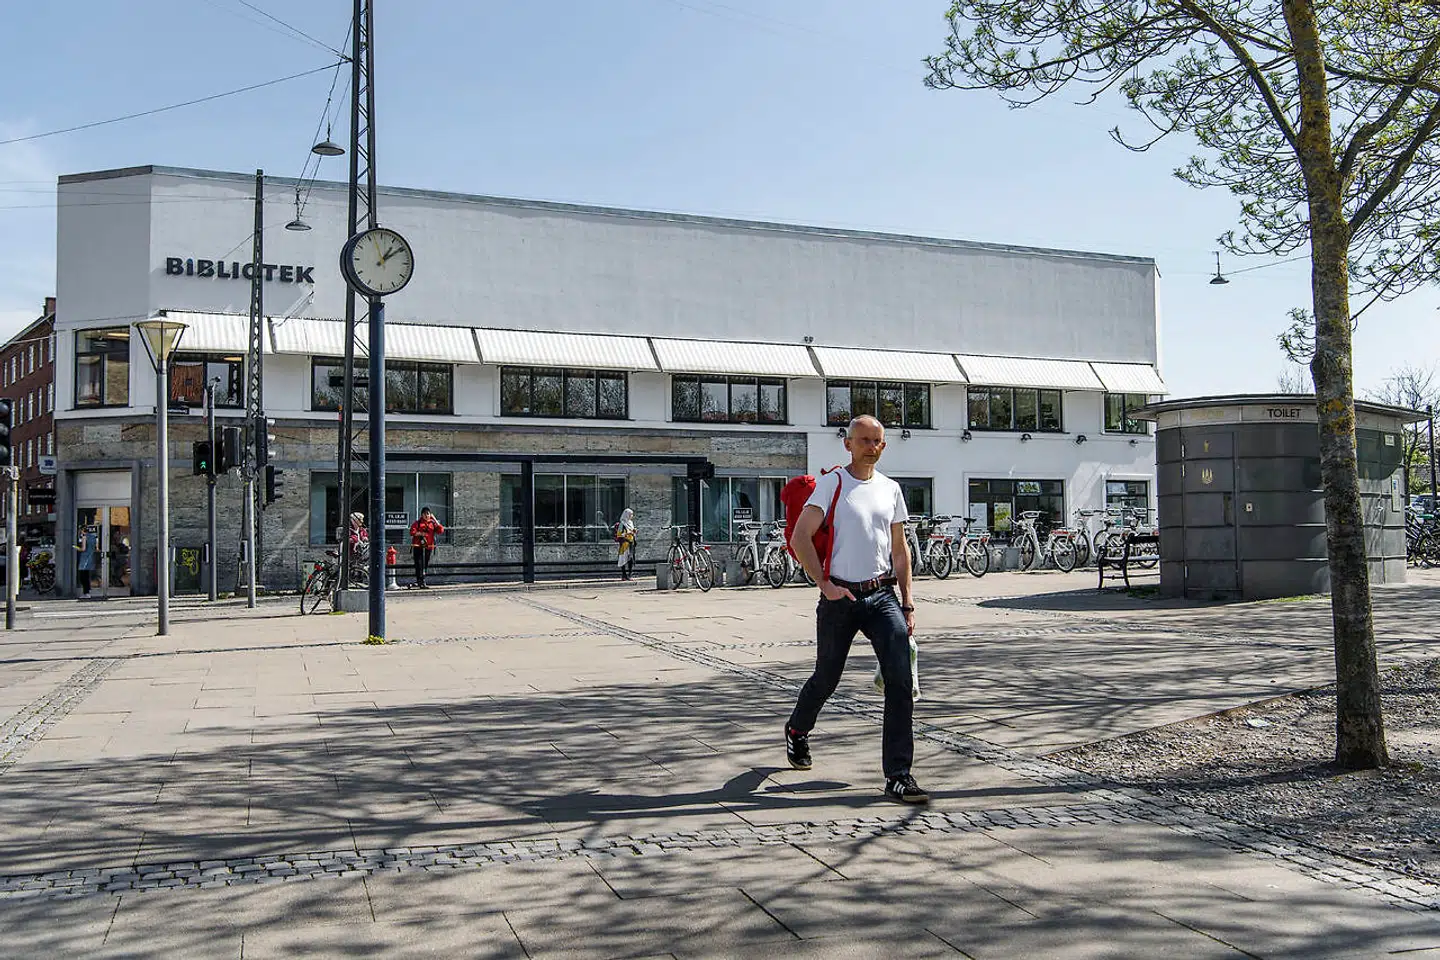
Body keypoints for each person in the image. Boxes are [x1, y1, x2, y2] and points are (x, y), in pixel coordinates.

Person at [784, 414, 926, 804]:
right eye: (863, 439)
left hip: (882, 596)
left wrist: (908, 600)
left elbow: (900, 551)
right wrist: (824, 585)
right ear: (847, 444)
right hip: (840, 599)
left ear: (884, 446)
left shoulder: (891, 489)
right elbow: (801, 537)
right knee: (825, 679)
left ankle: (899, 775)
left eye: (877, 441)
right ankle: (797, 729)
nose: (870, 446)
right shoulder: (834, 484)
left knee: (900, 682)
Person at [408, 507, 445, 589]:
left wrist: (435, 520)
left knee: (425, 565)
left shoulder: (432, 523)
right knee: (419, 565)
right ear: (422, 515)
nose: (426, 515)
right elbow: (412, 532)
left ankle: (422, 581)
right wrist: (421, 534)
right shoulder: (417, 523)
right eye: (425, 514)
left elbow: (441, 530)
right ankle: (420, 581)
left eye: (428, 513)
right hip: (418, 547)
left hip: (428, 547)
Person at [74, 524, 99, 598]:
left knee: (82, 576)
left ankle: (86, 592)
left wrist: (76, 547)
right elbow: (96, 548)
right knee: (87, 575)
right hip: (91, 557)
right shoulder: (94, 537)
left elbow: (83, 548)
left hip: (85, 558)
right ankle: (88, 592)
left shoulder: (84, 537)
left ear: (82, 530)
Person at [613, 508, 637, 580]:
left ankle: (630, 574)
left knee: (631, 559)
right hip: (624, 543)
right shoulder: (621, 524)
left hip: (631, 542)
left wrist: (634, 532)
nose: (632, 516)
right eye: (630, 514)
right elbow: (619, 534)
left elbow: (632, 533)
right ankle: (624, 575)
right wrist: (628, 533)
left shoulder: (631, 523)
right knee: (623, 559)